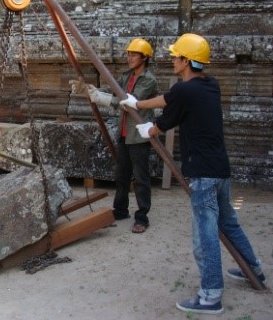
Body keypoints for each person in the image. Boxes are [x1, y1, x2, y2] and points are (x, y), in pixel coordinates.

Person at [120, 33, 266, 314]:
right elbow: (169, 98)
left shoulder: (186, 91)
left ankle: (211, 295)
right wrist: (136, 104)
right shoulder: (210, 85)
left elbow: (165, 120)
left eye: (176, 56)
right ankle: (253, 269)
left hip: (202, 175)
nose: (173, 60)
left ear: (186, 61)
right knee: (229, 223)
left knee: (205, 234)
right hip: (221, 170)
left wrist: (147, 129)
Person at [72, 38, 159, 233]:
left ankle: (142, 217)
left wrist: (100, 98)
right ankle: (120, 210)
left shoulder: (148, 81)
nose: (129, 58)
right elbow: (113, 90)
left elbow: (129, 101)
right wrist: (90, 89)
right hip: (124, 134)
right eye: (128, 54)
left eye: (134, 54)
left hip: (138, 137)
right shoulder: (127, 76)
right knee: (121, 176)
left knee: (141, 179)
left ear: (144, 57)